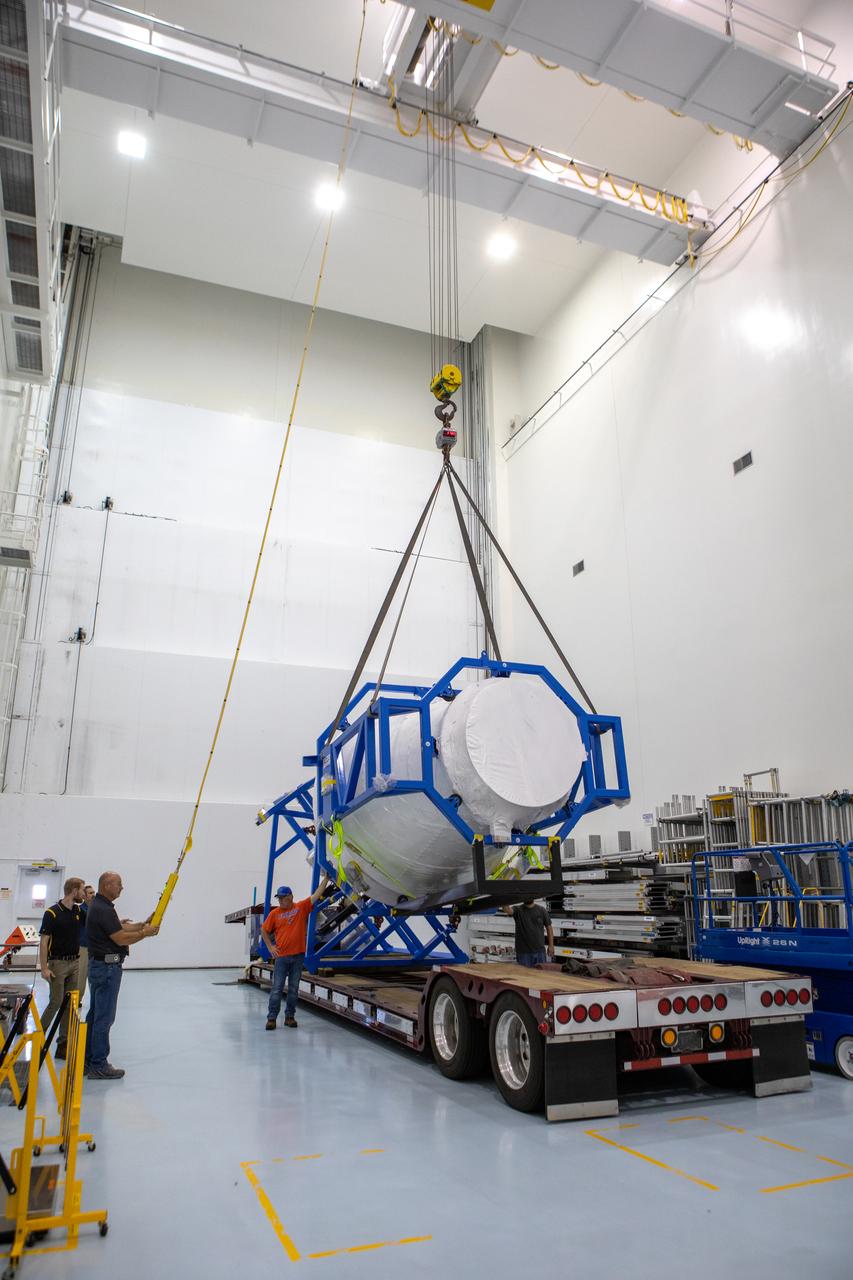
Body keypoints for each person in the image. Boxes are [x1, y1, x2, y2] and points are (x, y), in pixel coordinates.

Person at [85, 871, 159, 1080]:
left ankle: (89, 1060)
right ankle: (99, 1064)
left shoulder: (101, 907)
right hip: (107, 969)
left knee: (95, 1015)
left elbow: (121, 927)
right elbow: (120, 937)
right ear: (107, 885)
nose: (121, 888)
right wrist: (145, 933)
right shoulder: (103, 909)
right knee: (104, 1018)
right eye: (119, 884)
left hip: (100, 967)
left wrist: (143, 924)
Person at [262, 878, 329, 1030]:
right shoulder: (275, 914)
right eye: (278, 898)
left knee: (293, 988)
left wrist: (326, 879)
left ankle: (289, 1017)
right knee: (277, 988)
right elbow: (264, 930)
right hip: (282, 957)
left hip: (298, 956)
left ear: (290, 897)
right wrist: (270, 947)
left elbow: (316, 895)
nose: (280, 901)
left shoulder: (301, 908)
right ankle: (271, 1018)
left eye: (282, 898)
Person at [39, 877, 85, 1060]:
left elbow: (96, 923)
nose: (83, 894)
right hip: (57, 964)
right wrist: (44, 968)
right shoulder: (52, 913)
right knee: (56, 1002)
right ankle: (38, 1039)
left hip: (74, 963)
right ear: (74, 891)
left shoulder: (78, 911)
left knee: (70, 1005)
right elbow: (44, 942)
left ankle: (62, 1045)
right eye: (82, 890)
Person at [501, 899, 555, 967]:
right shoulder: (518, 910)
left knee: (540, 975)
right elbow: (507, 910)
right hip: (524, 953)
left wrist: (551, 945)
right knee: (525, 976)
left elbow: (549, 928)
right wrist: (502, 898)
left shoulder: (541, 910)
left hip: (540, 951)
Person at [78, 884, 96, 1002]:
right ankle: (77, 1000)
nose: (93, 895)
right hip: (83, 948)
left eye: (94, 892)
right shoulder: (80, 910)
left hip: (94, 948)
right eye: (90, 893)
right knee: (81, 976)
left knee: (94, 977)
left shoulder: (96, 909)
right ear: (84, 896)